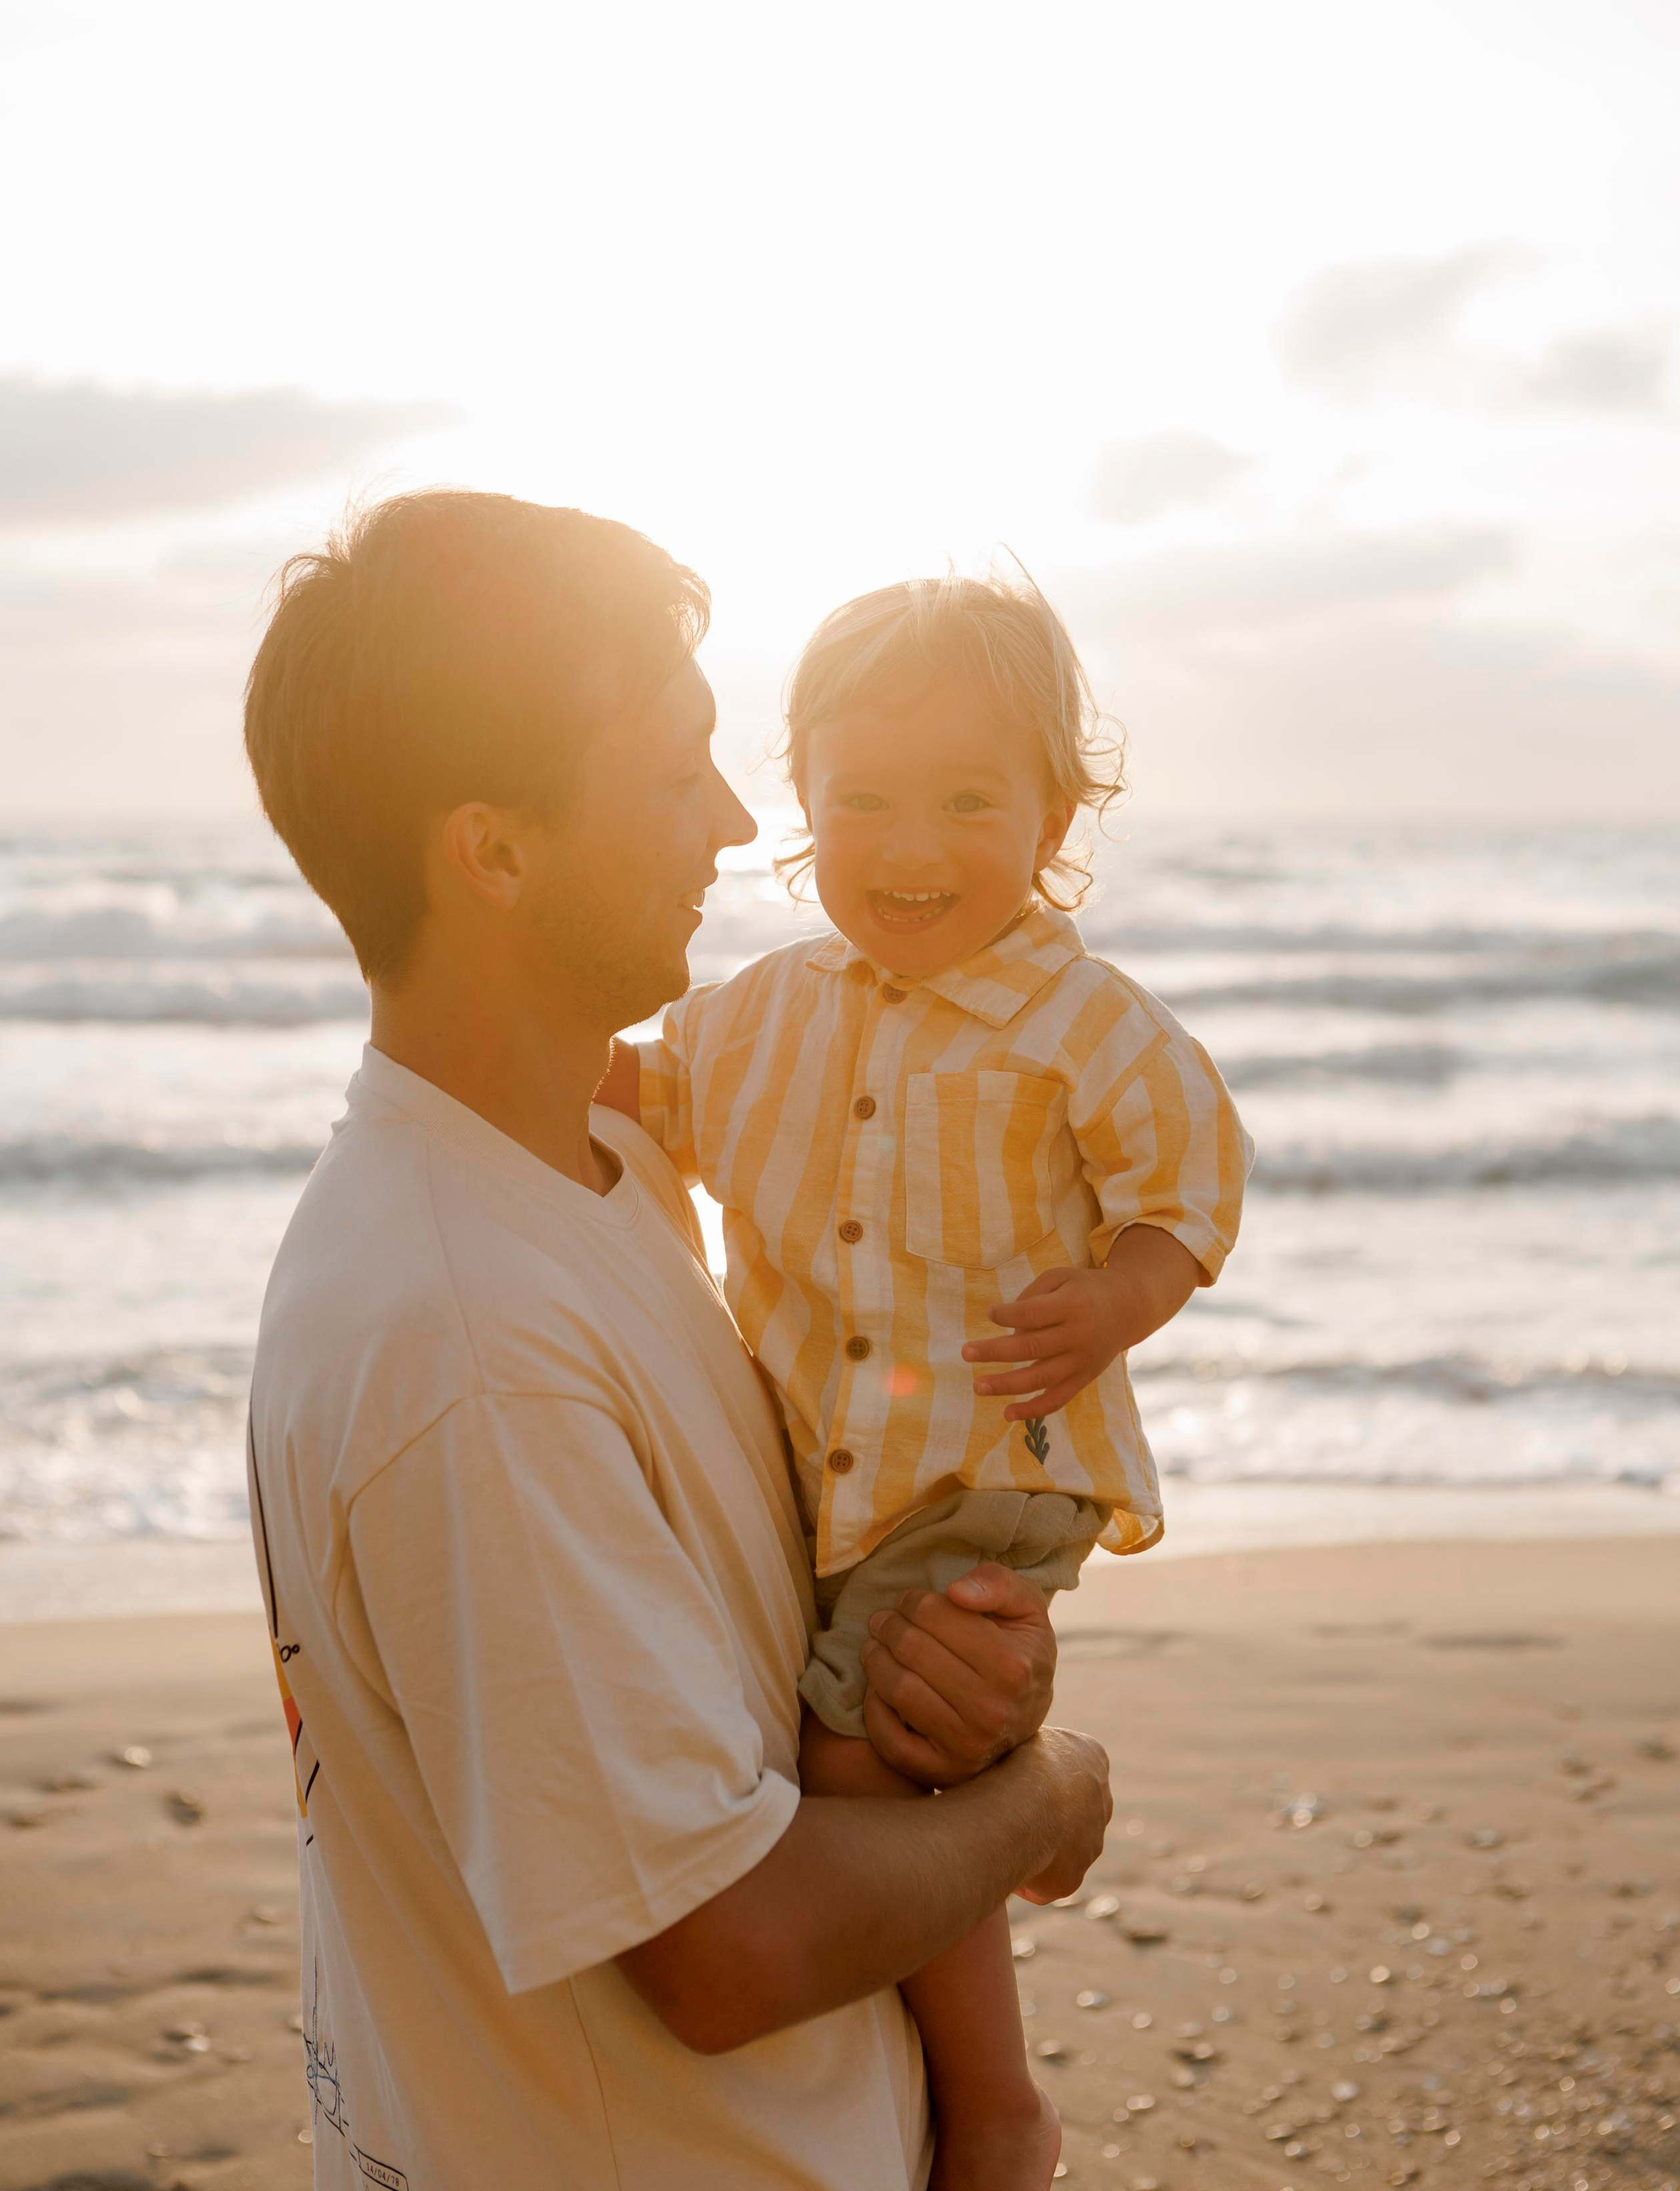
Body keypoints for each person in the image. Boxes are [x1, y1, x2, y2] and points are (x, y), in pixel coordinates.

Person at [241, 492, 1112, 2191]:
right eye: (677, 766)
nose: (731, 823)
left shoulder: (609, 1165)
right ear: (491, 850)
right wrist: (1044, 1803)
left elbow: (723, 1664)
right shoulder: (462, 1337)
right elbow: (721, 1948)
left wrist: (951, 1671)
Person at [598, 573, 1252, 2189]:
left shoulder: (1084, 1024)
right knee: (829, 1737)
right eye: (862, 800)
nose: (908, 849)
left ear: (1054, 813)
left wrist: (1118, 1295)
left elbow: (1189, 1186)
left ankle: (993, 2105)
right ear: (802, 806)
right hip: (820, 1462)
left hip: (987, 1460)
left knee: (869, 1750)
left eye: (968, 801)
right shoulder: (756, 1017)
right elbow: (642, 1092)